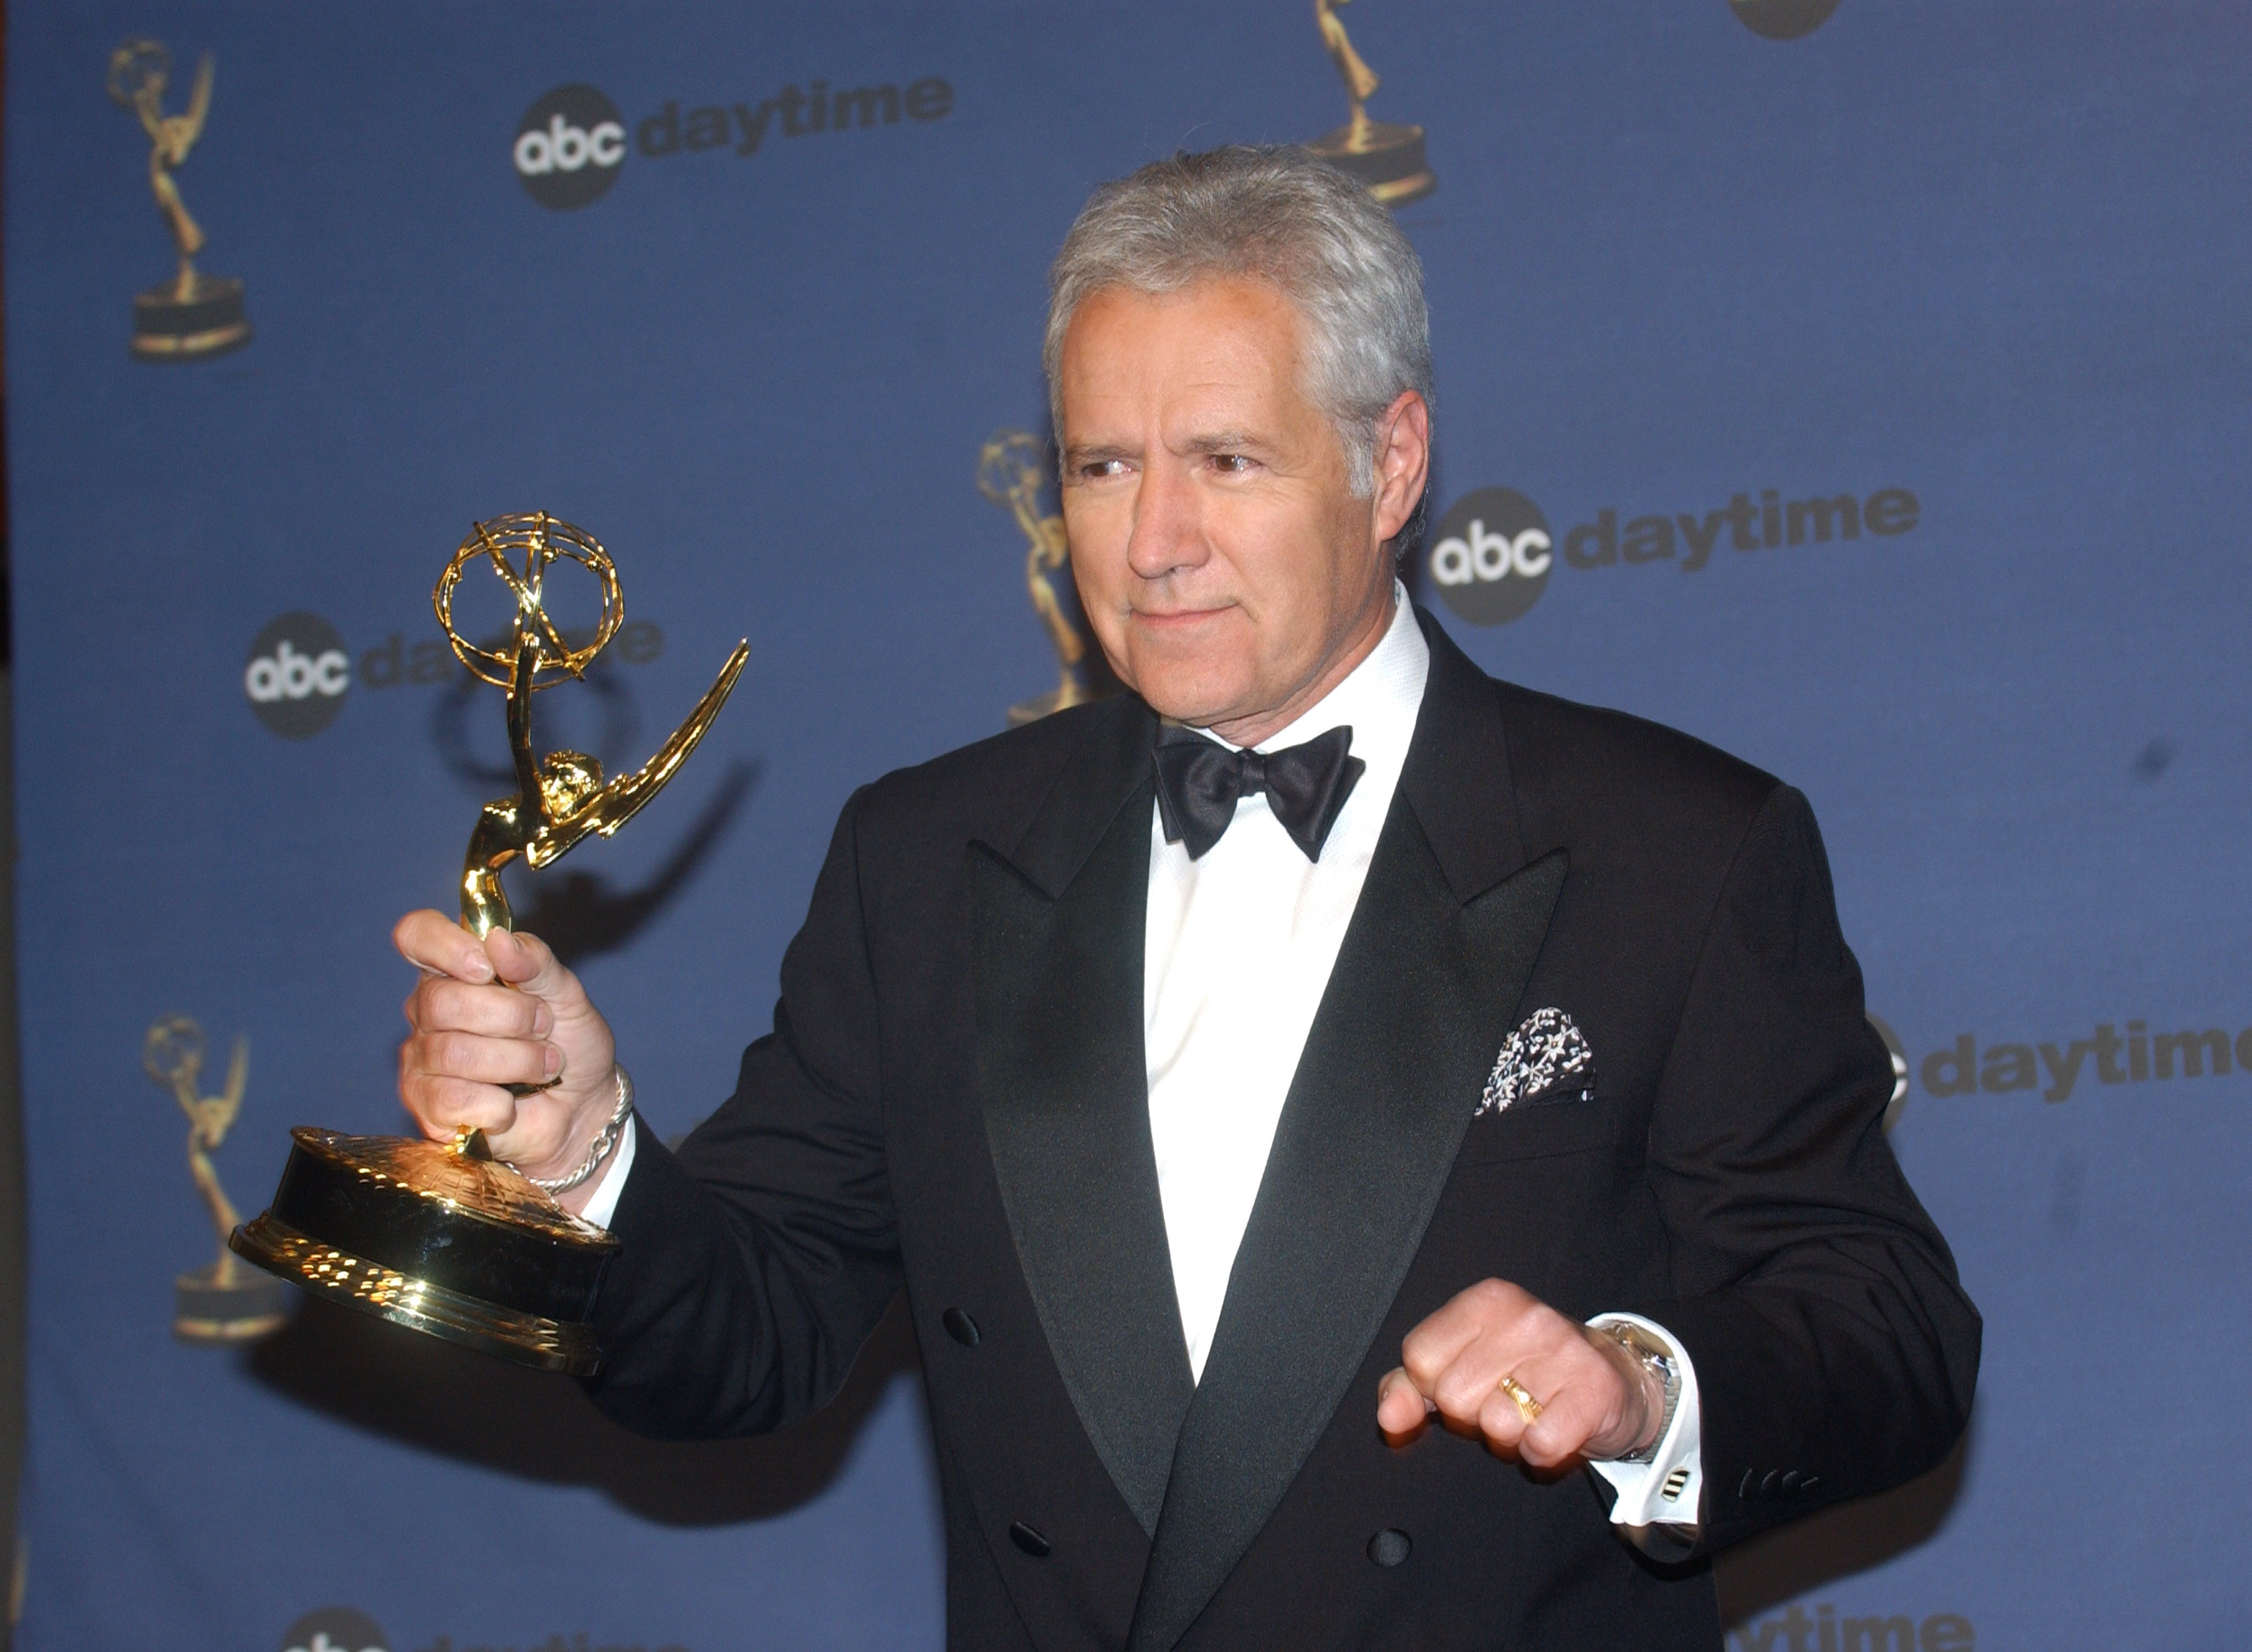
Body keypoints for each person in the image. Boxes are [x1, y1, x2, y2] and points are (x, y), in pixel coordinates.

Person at [394, 146, 1978, 1651]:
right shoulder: (923, 861)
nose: (1153, 544)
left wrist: (1638, 1384)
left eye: (1225, 461)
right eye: (1102, 467)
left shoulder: (1676, 848)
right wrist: (590, 1153)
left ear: (1391, 464)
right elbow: (742, 1336)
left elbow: (1885, 1331)